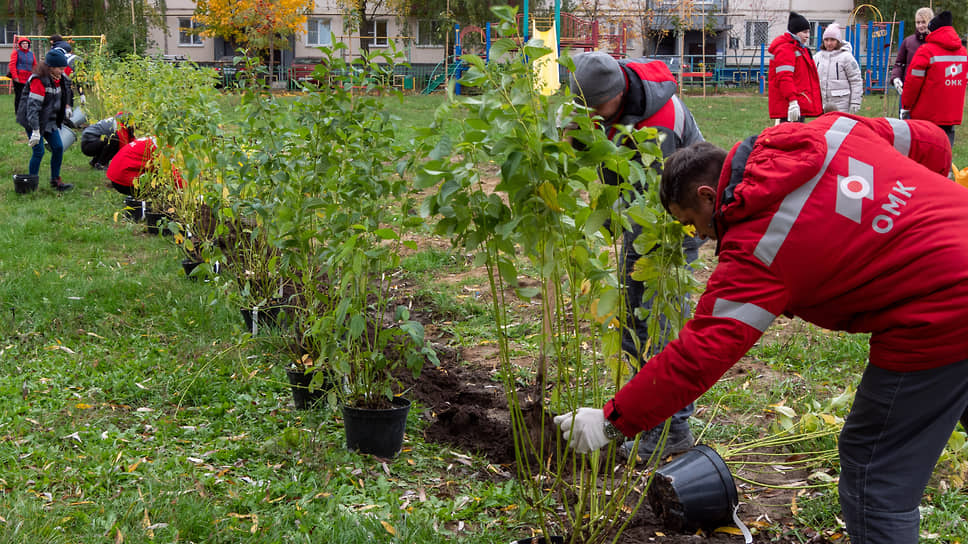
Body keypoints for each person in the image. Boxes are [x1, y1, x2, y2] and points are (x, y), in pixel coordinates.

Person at [554, 111, 965, 544]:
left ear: (710, 195)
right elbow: (934, 140)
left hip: (941, 316)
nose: (701, 236)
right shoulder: (824, 131)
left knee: (873, 473)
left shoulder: (761, 248)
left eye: (693, 222)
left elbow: (698, 355)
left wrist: (611, 419)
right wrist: (915, 218)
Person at [568, 51, 704, 461]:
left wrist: (620, 221)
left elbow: (658, 203)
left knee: (659, 323)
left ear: (617, 94)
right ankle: (642, 417)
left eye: (595, 109)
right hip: (641, 217)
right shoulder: (605, 107)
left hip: (676, 220)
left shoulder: (658, 124)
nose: (590, 116)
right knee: (634, 320)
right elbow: (592, 148)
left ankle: (672, 430)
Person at [900, 11, 968, 147]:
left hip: (925, 116)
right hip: (951, 115)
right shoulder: (963, 52)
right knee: (945, 154)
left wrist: (906, 106)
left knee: (925, 156)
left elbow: (912, 84)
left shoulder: (926, 51)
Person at [16, 48, 74, 192]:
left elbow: (66, 92)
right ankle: (31, 183)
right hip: (33, 119)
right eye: (60, 68)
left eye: (63, 68)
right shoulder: (38, 80)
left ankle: (55, 180)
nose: (62, 71)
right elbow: (33, 108)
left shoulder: (60, 78)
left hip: (50, 120)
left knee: (58, 147)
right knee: (39, 151)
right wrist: (35, 130)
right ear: (50, 67)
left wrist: (67, 106)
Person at [768, 12, 822, 123]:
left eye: (808, 32)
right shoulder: (786, 50)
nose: (807, 35)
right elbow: (784, 78)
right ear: (795, 32)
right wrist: (792, 101)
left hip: (798, 101)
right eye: (804, 32)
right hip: (790, 103)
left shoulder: (800, 49)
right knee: (789, 136)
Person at [106, 137, 184, 195]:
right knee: (162, 186)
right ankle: (142, 208)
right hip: (123, 179)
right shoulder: (164, 150)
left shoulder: (155, 140)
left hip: (116, 174)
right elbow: (174, 176)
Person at [814, 23, 863, 114]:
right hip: (822, 104)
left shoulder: (846, 57)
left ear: (838, 41)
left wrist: (855, 102)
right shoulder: (817, 57)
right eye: (826, 40)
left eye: (832, 40)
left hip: (842, 104)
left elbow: (856, 81)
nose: (829, 43)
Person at [891, 7, 934, 100]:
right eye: (918, 22)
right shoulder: (908, 42)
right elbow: (899, 64)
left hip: (930, 91)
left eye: (923, 22)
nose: (920, 25)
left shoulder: (936, 42)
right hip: (909, 89)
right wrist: (896, 77)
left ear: (930, 22)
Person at [8, 36, 35, 115]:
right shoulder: (16, 53)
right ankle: (18, 112)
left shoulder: (31, 54)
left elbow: (34, 65)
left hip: (29, 77)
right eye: (23, 43)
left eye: (26, 43)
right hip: (19, 78)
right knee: (19, 95)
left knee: (28, 95)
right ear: (20, 45)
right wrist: (15, 76)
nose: (25, 45)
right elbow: (12, 65)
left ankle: (26, 110)